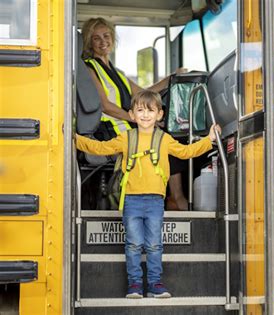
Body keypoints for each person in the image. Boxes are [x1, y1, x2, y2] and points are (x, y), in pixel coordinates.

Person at [76, 90, 221, 298]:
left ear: (160, 115)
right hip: (131, 201)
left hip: (155, 201)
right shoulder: (126, 138)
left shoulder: (164, 139)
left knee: (154, 245)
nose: (145, 115)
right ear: (132, 115)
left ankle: (155, 283)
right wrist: (75, 139)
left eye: (150, 110)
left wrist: (209, 140)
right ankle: (135, 285)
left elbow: (185, 152)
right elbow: (100, 148)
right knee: (134, 244)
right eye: (140, 110)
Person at [81, 17, 188, 210]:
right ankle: (173, 200)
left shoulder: (118, 72)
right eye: (96, 38)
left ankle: (174, 198)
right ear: (89, 42)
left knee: (170, 140)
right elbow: (104, 105)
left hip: (127, 128)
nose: (103, 41)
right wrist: (136, 118)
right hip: (109, 131)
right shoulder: (90, 68)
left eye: (106, 36)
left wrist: (171, 78)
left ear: (113, 39)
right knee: (161, 144)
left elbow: (143, 93)